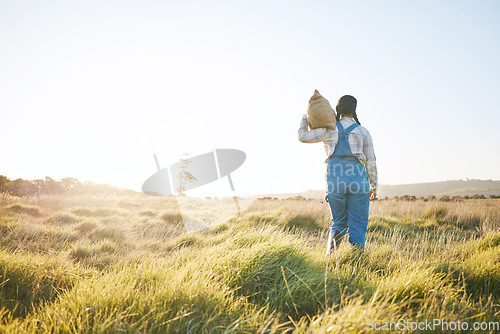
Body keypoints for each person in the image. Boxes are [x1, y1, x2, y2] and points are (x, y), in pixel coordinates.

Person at [298, 95, 377, 254]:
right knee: (358, 224)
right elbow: (371, 162)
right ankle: (356, 262)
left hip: (335, 182)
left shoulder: (329, 130)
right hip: (358, 183)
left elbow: (302, 136)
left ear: (338, 109)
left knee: (338, 223)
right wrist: (373, 186)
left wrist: (306, 116)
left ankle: (330, 260)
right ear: (354, 110)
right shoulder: (363, 131)